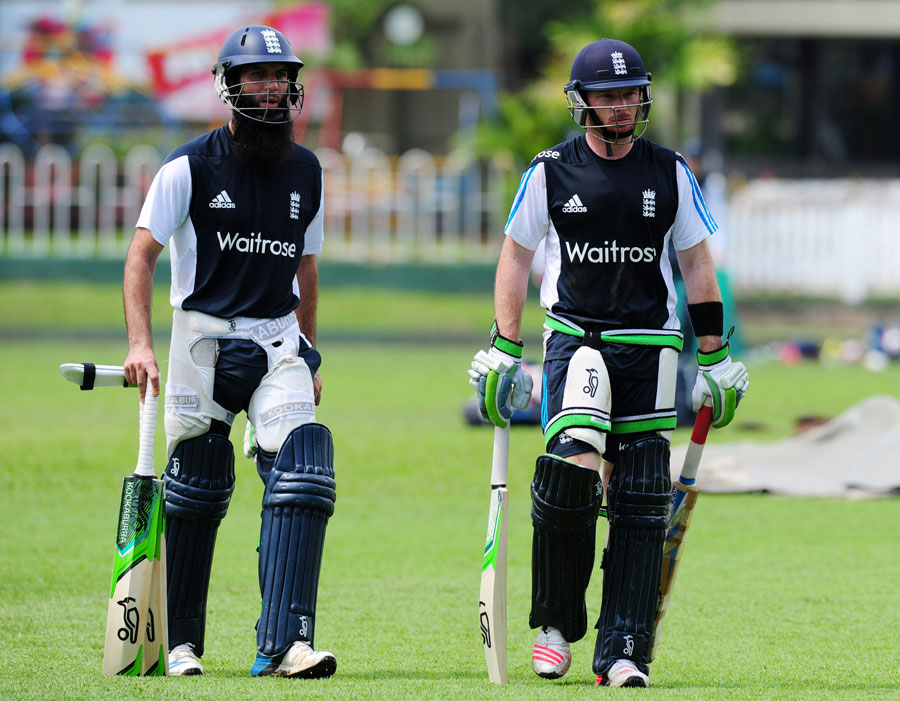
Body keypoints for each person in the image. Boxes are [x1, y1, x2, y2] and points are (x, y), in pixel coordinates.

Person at [468, 39, 749, 688]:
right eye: (610, 95)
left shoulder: (670, 171)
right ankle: (556, 625)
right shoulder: (549, 172)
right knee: (571, 474)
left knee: (642, 495)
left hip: (649, 343)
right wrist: (505, 347)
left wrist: (716, 355)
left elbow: (698, 265)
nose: (623, 106)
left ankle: (623, 647)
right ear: (582, 102)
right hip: (575, 337)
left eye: (632, 94)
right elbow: (514, 257)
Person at [122, 25, 337, 679]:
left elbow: (306, 269)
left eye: (280, 76)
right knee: (197, 486)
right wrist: (141, 344)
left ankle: (285, 643)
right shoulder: (188, 166)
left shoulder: (307, 168)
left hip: (277, 340)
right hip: (201, 342)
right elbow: (140, 259)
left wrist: (311, 350)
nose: (272, 87)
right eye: (257, 75)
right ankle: (181, 639)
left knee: (304, 469)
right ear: (229, 84)